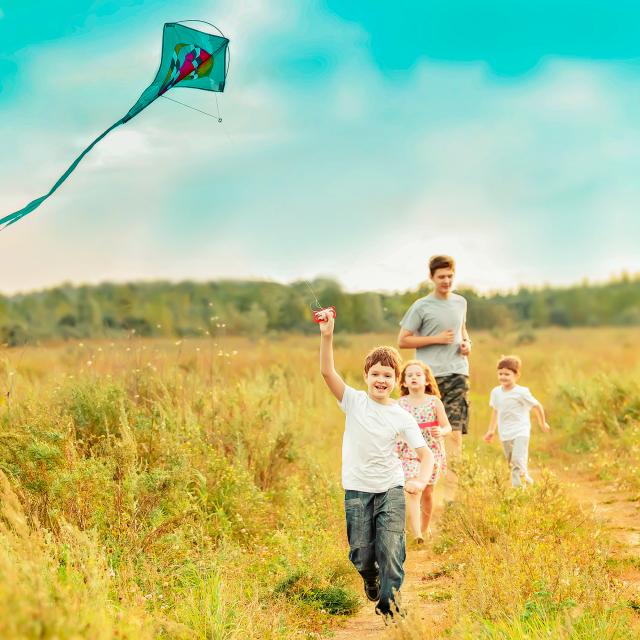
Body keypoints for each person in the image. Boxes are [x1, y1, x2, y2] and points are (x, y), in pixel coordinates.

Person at [317, 308, 434, 618]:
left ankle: (391, 606)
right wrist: (327, 336)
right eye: (376, 374)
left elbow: (426, 455)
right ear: (366, 376)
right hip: (356, 489)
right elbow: (328, 373)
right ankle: (370, 577)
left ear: (397, 381)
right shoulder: (353, 401)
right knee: (361, 554)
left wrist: (419, 481)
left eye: (388, 375)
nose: (381, 380)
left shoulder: (401, 415)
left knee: (392, 550)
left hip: (391, 488)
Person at [397, 255, 470, 501]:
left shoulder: (461, 302)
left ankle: (451, 498)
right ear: (432, 278)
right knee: (424, 436)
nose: (446, 281)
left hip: (458, 373)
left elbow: (463, 332)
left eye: (450, 276)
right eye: (441, 277)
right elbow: (403, 340)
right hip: (429, 379)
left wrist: (467, 344)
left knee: (454, 434)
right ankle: (426, 488)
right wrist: (435, 339)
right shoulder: (421, 306)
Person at [396, 360, 451, 542]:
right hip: (408, 452)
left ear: (427, 380)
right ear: (403, 382)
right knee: (413, 490)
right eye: (409, 375)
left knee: (427, 493)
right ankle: (417, 534)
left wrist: (440, 431)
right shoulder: (399, 404)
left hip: (431, 452)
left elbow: (447, 426)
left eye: (418, 374)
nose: (413, 377)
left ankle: (425, 528)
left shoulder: (434, 402)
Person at [483, 355, 551, 487]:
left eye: (507, 374)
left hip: (521, 432)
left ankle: (519, 492)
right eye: (500, 374)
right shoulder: (496, 392)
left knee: (517, 461)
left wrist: (542, 422)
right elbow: (496, 411)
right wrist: (491, 430)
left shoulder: (521, 392)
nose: (503, 377)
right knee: (513, 464)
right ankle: (529, 483)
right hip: (505, 434)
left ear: (516, 375)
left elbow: (537, 406)